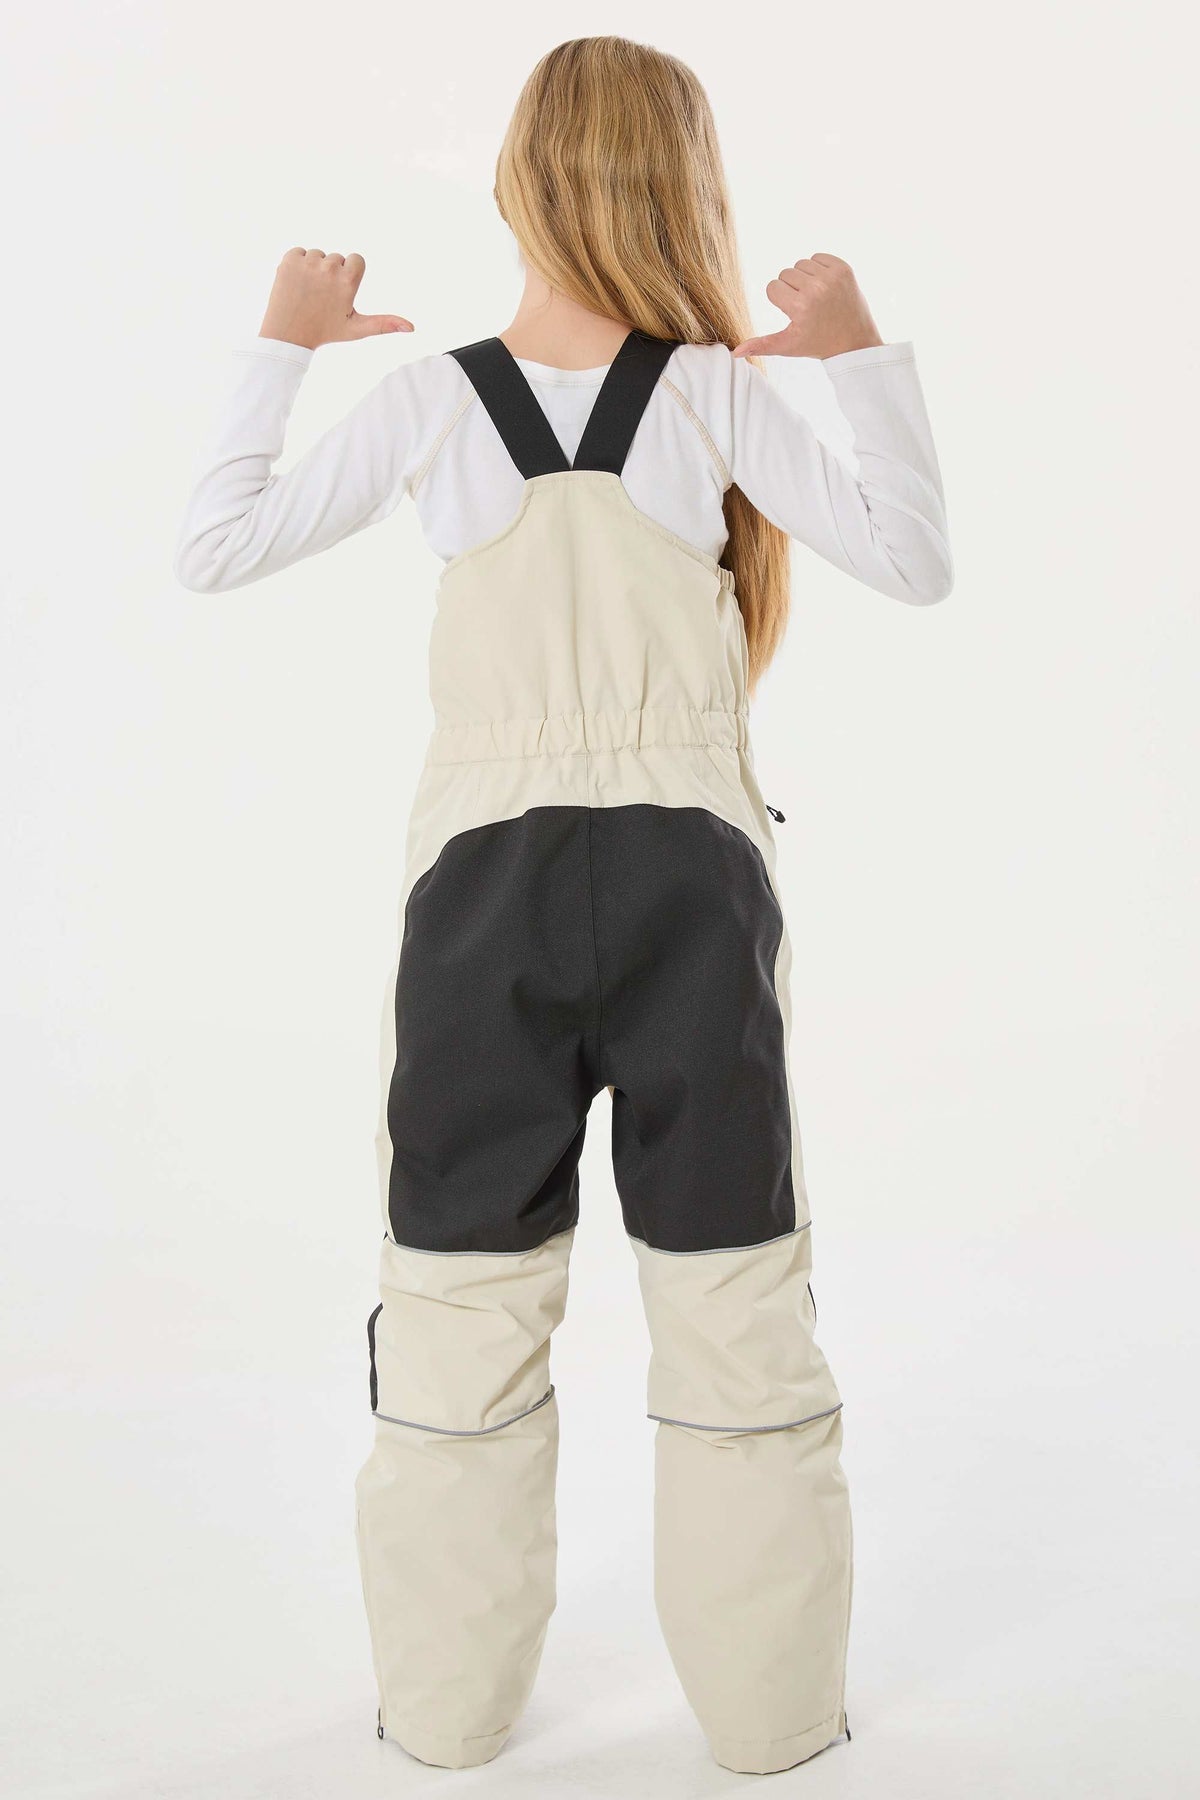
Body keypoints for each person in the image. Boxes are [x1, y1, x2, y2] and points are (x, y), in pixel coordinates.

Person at [173, 33, 952, 1777]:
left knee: (457, 1302)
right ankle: (773, 1723)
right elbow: (914, 556)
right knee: (736, 1296)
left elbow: (213, 545)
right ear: (688, 185)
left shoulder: (437, 401)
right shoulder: (715, 393)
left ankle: (446, 1719)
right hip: (694, 887)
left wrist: (280, 344)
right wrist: (859, 354)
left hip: (483, 896)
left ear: (516, 178)